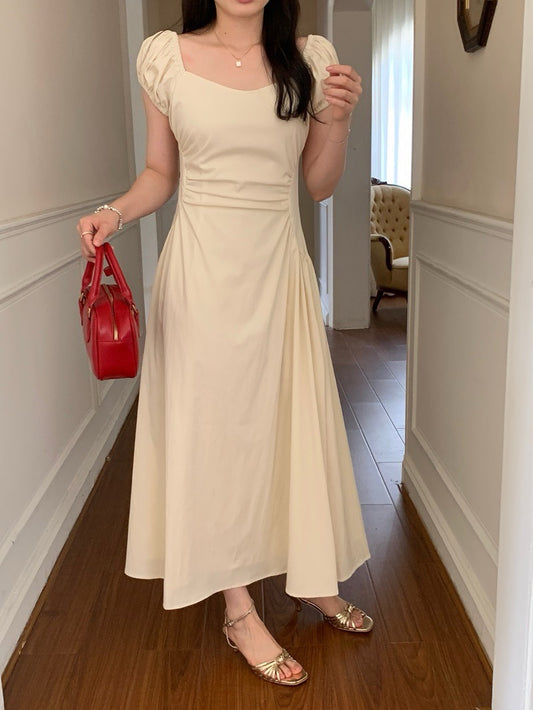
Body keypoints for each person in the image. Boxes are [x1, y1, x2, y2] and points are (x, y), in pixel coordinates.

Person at [77, 0, 373, 688]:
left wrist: (338, 119)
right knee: (215, 436)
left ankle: (310, 575)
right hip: (200, 276)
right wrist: (114, 212)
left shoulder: (309, 58)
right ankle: (238, 609)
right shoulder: (165, 57)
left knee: (289, 425)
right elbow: (161, 173)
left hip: (278, 270)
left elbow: (319, 184)